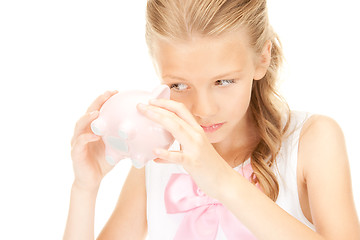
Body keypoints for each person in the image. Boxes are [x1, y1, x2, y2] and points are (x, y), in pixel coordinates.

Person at [63, 0, 360, 239]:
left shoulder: (312, 140)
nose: (203, 109)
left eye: (224, 81)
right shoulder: (160, 155)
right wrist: (84, 189)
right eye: (179, 85)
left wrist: (220, 179)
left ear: (262, 58)